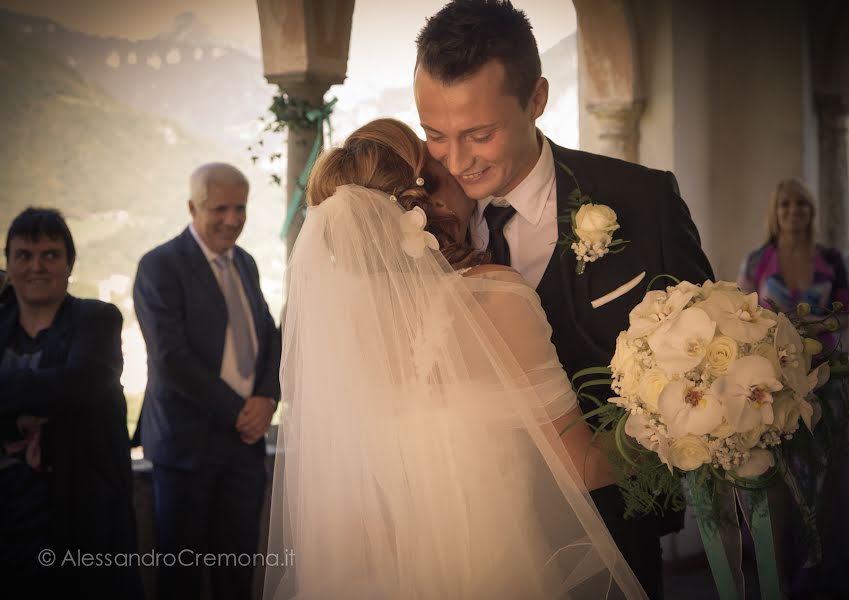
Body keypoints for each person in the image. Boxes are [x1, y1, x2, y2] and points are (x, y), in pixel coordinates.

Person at [263, 118, 646, 599]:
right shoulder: (498, 296)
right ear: (429, 198)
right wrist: (664, 428)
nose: (459, 164)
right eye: (439, 160)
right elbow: (584, 468)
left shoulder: (343, 327)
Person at [413, 1, 714, 596]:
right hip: (468, 540)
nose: (455, 160)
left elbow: (703, 358)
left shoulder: (643, 201)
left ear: (536, 99)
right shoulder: (413, 218)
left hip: (616, 536)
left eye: (479, 134)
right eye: (434, 134)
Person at [133, 163, 281, 599]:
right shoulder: (159, 266)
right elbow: (170, 359)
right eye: (220, 209)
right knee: (181, 579)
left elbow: (269, 335)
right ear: (192, 207)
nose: (232, 220)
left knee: (236, 576)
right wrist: (243, 411)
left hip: (244, 449)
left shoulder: (246, 263)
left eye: (240, 209)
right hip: (186, 448)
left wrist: (268, 397)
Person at [0, 208, 142, 597]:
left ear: (69, 264)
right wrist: (16, 419)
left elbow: (80, 384)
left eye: (50, 255)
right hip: (11, 526)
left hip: (83, 520)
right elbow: (58, 388)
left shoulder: (97, 320)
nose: (37, 266)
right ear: (8, 265)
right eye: (24, 255)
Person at [737, 177, 849, 599]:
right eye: (785, 205)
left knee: (825, 484)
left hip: (828, 383)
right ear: (775, 211)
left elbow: (846, 313)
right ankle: (779, 575)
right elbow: (746, 320)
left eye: (801, 204)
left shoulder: (832, 259)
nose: (793, 212)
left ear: (811, 211)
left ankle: (822, 577)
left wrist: (816, 327)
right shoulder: (757, 262)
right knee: (782, 484)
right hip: (776, 387)